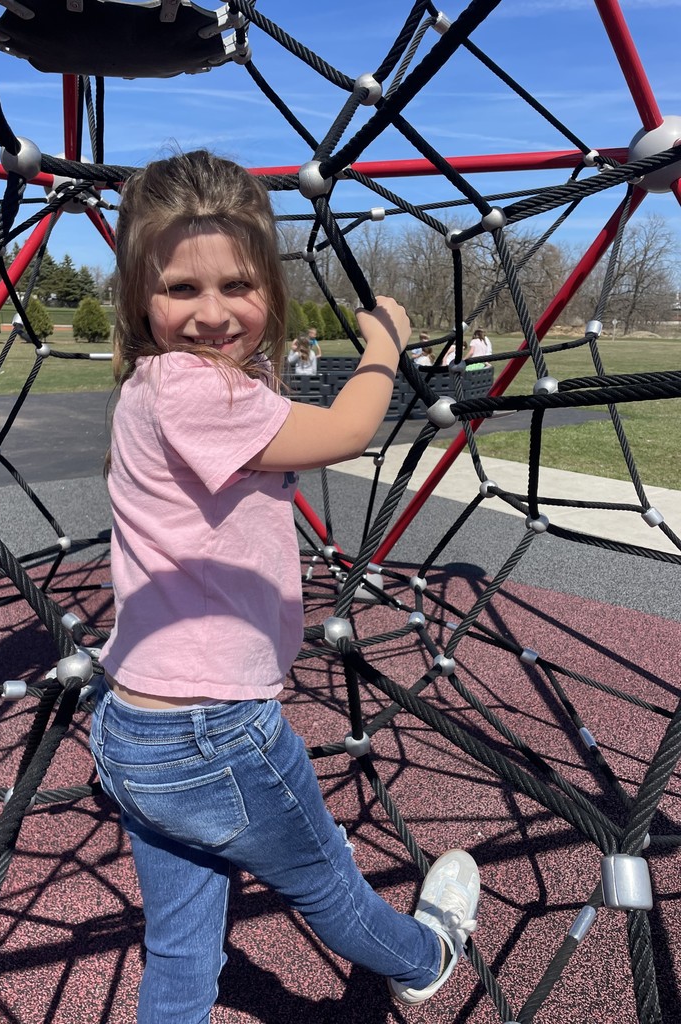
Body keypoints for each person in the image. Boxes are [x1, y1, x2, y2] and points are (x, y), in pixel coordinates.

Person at [89, 149, 480, 1024]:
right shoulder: (195, 394)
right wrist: (384, 346)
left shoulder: (156, 386)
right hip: (213, 732)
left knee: (183, 952)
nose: (213, 312)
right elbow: (345, 427)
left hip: (136, 729)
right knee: (329, 889)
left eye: (237, 284)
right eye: (181, 289)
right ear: (138, 296)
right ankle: (425, 956)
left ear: (268, 282)